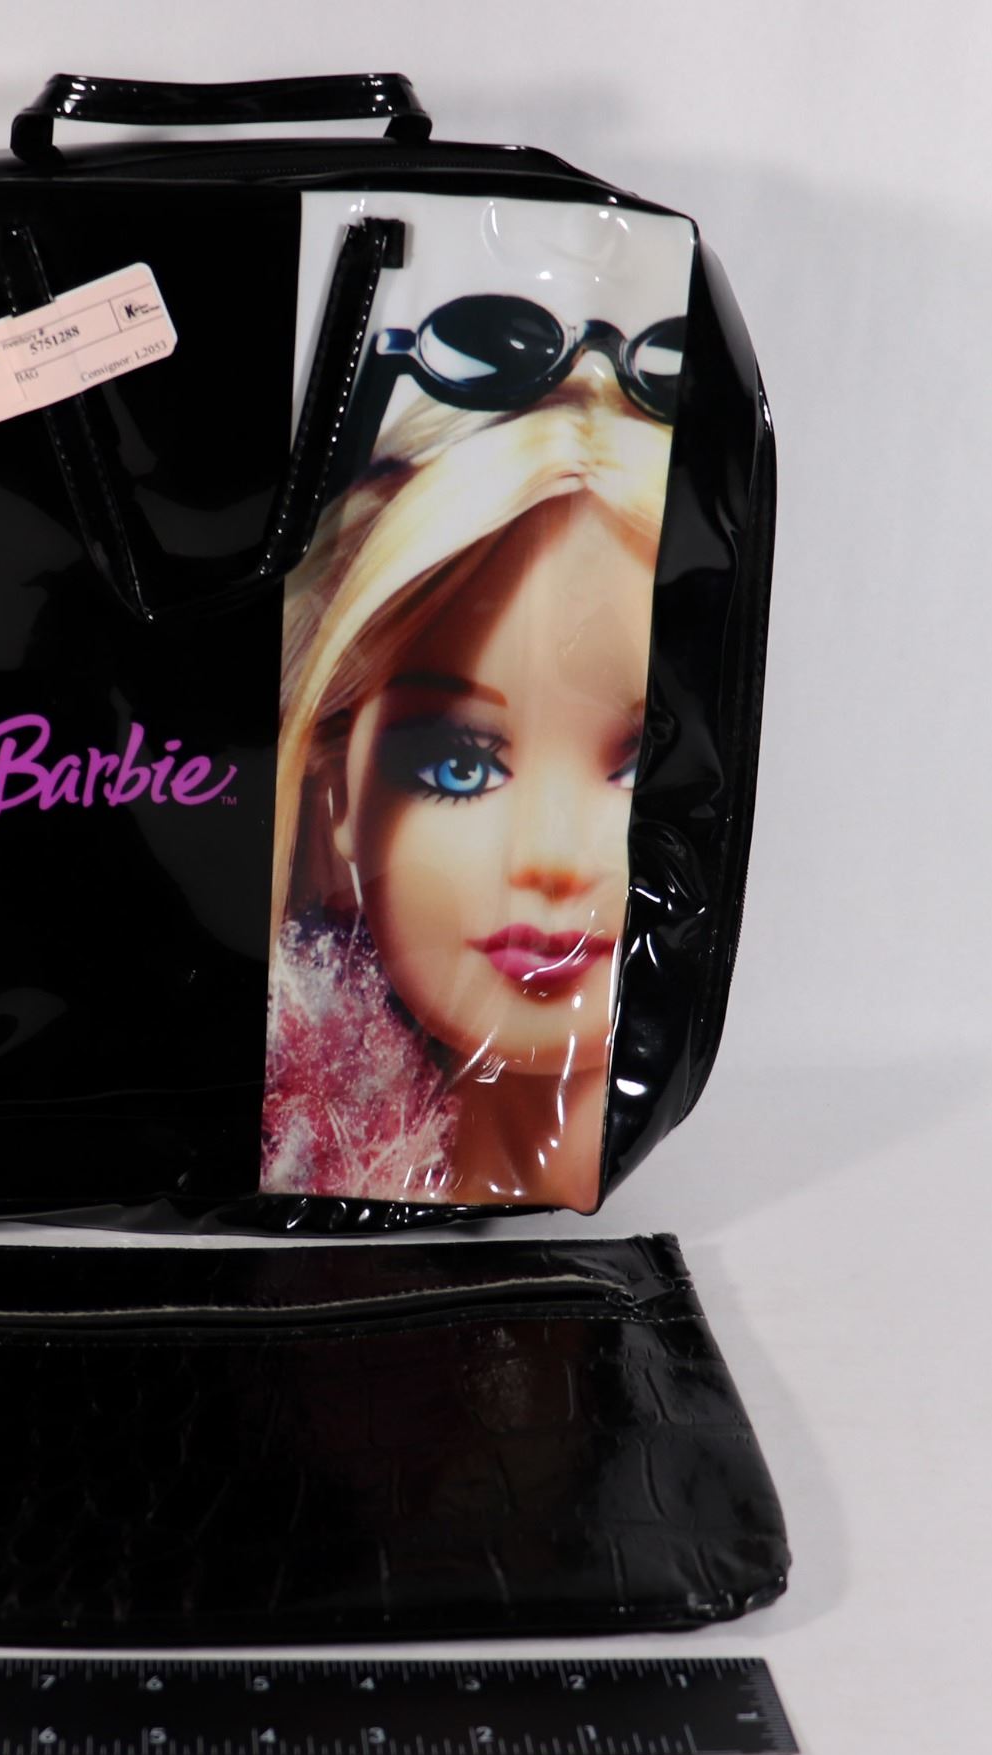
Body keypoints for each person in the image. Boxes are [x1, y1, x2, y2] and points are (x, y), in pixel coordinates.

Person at [262, 347, 676, 1213]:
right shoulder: (281, 1142)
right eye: (458, 766)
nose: (548, 856)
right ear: (337, 796)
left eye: (638, 762)